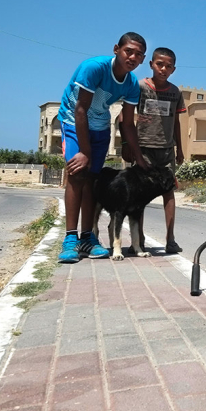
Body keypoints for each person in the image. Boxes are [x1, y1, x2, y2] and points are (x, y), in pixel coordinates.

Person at [57, 32, 149, 263]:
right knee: (77, 175)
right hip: (73, 120)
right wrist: (84, 152)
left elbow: (127, 124)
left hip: (99, 125)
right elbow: (80, 110)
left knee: (92, 181)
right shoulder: (94, 68)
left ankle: (87, 237)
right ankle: (70, 238)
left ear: (142, 58)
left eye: (138, 54)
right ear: (117, 49)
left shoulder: (131, 85)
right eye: (129, 51)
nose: (132, 57)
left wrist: (139, 157)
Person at [121, 47, 185, 254]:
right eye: (160, 64)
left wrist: (180, 149)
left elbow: (176, 122)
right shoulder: (138, 86)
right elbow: (124, 117)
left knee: (169, 193)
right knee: (138, 196)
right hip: (143, 150)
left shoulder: (176, 93)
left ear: (173, 69)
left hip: (166, 151)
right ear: (151, 64)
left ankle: (171, 239)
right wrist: (126, 145)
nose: (163, 69)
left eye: (168, 66)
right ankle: (137, 240)